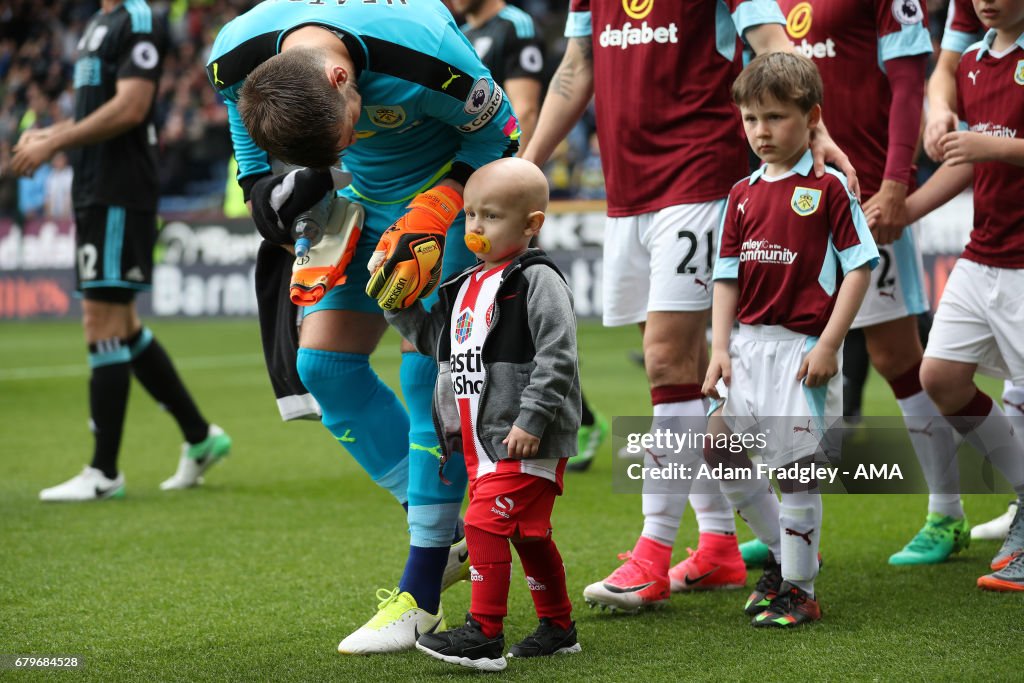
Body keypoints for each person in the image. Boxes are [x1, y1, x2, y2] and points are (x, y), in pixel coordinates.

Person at [205, 0, 520, 653]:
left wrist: (436, 208)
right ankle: (452, 528)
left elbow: (501, 135)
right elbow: (240, 110)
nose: (350, 143)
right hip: (359, 209)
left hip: (449, 202)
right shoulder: (237, 49)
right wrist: (259, 184)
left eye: (345, 130)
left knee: (420, 371)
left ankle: (423, 588)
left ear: (342, 81)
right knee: (322, 367)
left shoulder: (427, 48)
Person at [522, 0, 859, 611]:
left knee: (665, 360)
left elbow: (777, 46)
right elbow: (576, 67)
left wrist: (819, 132)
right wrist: (526, 169)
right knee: (690, 382)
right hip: (627, 189)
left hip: (700, 174)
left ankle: (651, 554)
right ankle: (723, 546)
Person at [748, 0, 969, 568]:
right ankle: (781, 521)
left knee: (897, 355)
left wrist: (896, 181)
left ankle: (947, 511)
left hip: (862, 197)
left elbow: (907, 85)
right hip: (785, 199)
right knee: (778, 350)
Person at [11, 0, 231, 502]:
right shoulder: (98, 23)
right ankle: (200, 438)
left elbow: (132, 106)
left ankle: (103, 472)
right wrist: (53, 133)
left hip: (119, 189)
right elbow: (98, 108)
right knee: (123, 326)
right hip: (95, 188)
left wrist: (56, 141)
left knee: (101, 319)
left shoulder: (137, 19)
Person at [385, 157, 580, 672]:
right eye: (469, 215)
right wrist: (396, 305)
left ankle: (484, 633)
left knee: (482, 524)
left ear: (531, 224)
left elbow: (558, 357)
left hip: (524, 438)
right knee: (527, 535)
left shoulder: (538, 280)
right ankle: (558, 627)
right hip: (481, 441)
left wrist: (532, 421)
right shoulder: (467, 284)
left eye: (490, 217)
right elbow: (437, 344)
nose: (475, 227)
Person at [705, 51, 877, 627]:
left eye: (775, 117)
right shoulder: (741, 193)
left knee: (795, 469)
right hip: (746, 347)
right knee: (718, 447)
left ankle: (801, 589)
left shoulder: (828, 189)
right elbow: (726, 275)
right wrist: (720, 347)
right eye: (751, 119)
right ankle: (784, 560)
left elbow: (860, 267)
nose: (761, 131)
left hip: (800, 349)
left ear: (811, 118)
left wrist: (830, 344)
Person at [901, 0, 1024, 591]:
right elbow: (965, 161)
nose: (985, 0)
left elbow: (983, 150)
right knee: (941, 378)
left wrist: (989, 147)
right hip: (982, 254)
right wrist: (905, 212)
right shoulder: (972, 62)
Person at [454, 0, 609, 471]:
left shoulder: (514, 25)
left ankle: (573, 419)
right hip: (470, 196)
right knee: (476, 323)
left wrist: (506, 181)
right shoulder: (456, 28)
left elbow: (522, 106)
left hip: (499, 196)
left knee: (526, 317)